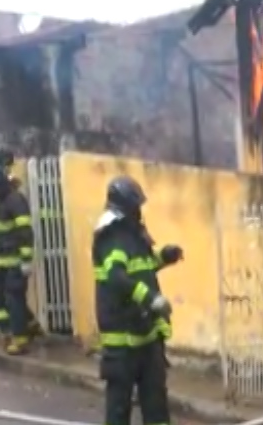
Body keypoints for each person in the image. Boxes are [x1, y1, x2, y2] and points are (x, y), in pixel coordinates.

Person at [93, 175, 184, 425]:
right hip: (122, 342)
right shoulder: (111, 238)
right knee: (119, 409)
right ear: (125, 207)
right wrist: (150, 299)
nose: (139, 211)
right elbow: (116, 277)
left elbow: (143, 267)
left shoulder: (134, 236)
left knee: (156, 406)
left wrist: (165, 256)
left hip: (146, 336)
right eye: (136, 207)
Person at [0, 147, 44, 341]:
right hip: (2, 261)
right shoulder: (1, 203)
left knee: (14, 298)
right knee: (6, 299)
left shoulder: (15, 200)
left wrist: (26, 260)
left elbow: (25, 232)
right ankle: (22, 328)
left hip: (15, 261)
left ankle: (19, 338)